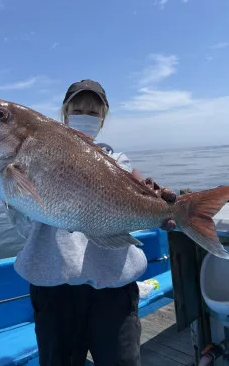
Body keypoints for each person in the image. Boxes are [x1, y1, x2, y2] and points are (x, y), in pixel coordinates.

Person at [14, 79, 176, 366]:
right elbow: (24, 225)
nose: (84, 116)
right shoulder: (35, 153)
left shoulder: (117, 161)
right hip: (54, 287)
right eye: (78, 108)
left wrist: (156, 203)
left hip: (114, 287)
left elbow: (133, 181)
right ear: (64, 113)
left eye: (93, 112)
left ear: (102, 119)